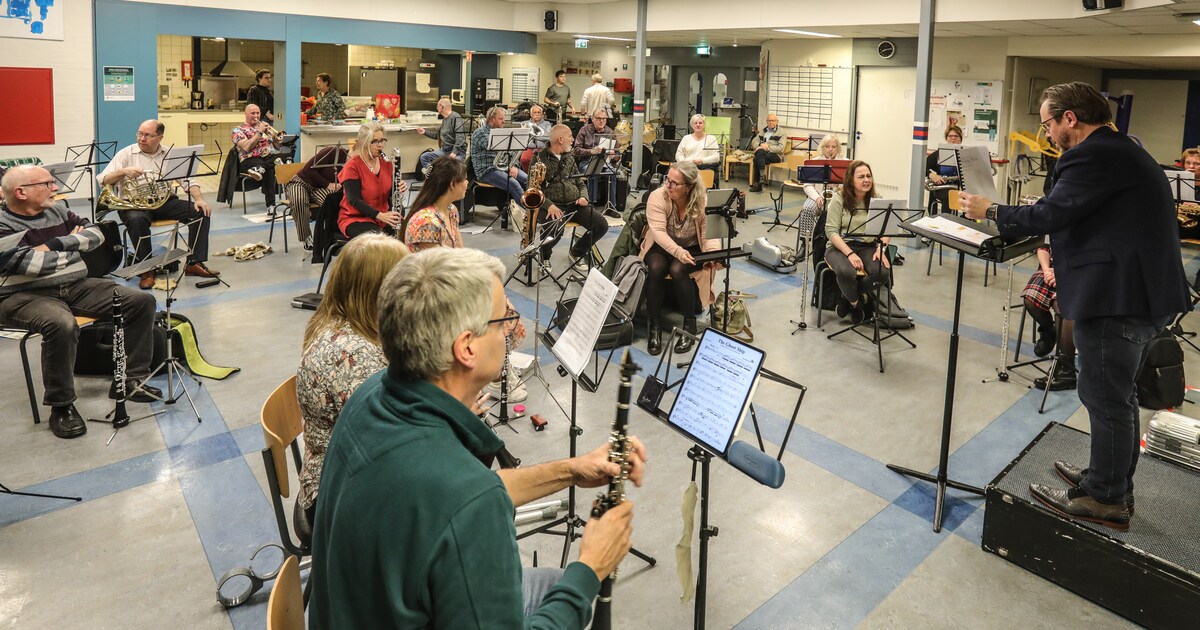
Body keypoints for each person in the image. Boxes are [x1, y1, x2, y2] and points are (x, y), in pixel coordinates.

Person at [307, 246, 641, 629]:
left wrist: (571, 470)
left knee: (551, 583)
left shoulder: (368, 397)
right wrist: (589, 568)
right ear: (466, 347)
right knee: (566, 587)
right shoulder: (464, 499)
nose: (511, 328)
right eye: (502, 320)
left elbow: (464, 497)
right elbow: (466, 502)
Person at [961, 81, 1190, 531]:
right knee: (1116, 398)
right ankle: (1107, 480)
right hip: (1140, 294)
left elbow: (1051, 214)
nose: (1045, 132)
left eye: (1048, 122)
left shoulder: (1092, 154)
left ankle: (1106, 498)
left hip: (1117, 299)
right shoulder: (1121, 148)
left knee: (1105, 399)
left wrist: (992, 211)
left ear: (1070, 118)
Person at [0, 165, 160, 439]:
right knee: (61, 324)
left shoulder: (58, 210)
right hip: (21, 296)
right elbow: (29, 264)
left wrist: (56, 245)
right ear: (21, 192)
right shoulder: (3, 224)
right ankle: (62, 406)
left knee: (140, 300)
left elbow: (97, 235)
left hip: (76, 285)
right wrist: (74, 246)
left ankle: (130, 379)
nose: (56, 188)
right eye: (47, 184)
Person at [295, 233, 409, 536]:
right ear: (380, 289)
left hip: (339, 468)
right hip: (339, 493)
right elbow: (388, 442)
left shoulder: (341, 319)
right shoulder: (352, 355)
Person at [404, 156, 528, 401]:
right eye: (464, 179)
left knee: (499, 300)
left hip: (451, 278)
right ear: (452, 184)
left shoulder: (449, 211)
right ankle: (494, 375)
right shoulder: (425, 221)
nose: (467, 183)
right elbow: (432, 270)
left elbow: (460, 253)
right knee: (494, 311)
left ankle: (496, 368)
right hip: (430, 289)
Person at [99, 119, 219, 290]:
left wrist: (199, 199)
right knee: (137, 220)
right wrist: (122, 172)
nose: (141, 138)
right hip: (133, 204)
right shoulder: (126, 154)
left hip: (163, 202)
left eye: (147, 135)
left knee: (200, 212)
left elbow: (188, 180)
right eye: (139, 134)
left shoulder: (169, 154)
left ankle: (193, 263)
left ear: (160, 137)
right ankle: (147, 270)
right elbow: (102, 179)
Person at [640, 161, 721, 356]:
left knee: (678, 270)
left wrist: (713, 255)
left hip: (692, 246)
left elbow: (708, 235)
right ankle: (655, 327)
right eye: (667, 179)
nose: (668, 185)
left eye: (674, 183)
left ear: (689, 187)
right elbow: (658, 232)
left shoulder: (702, 201)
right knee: (656, 268)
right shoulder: (657, 196)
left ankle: (689, 325)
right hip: (661, 245)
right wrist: (677, 251)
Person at [530, 124, 610, 271]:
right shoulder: (539, 160)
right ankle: (545, 256)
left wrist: (583, 196)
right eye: (569, 137)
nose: (572, 140)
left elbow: (580, 182)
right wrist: (549, 205)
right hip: (553, 205)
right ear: (560, 139)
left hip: (575, 204)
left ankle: (577, 252)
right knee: (555, 228)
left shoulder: (570, 157)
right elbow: (533, 190)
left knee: (601, 225)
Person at [824, 160, 890, 324]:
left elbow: (887, 228)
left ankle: (848, 298)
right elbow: (831, 232)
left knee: (882, 272)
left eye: (869, 176)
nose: (866, 180)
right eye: (861, 177)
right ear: (850, 180)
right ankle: (858, 304)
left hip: (867, 246)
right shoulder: (839, 199)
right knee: (847, 272)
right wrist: (850, 254)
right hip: (839, 247)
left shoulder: (877, 199)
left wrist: (881, 249)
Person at [1021, 245, 1077, 391]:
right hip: (1052, 268)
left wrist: (1062, 274)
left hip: (1076, 272)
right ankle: (1049, 331)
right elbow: (1044, 247)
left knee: (1061, 305)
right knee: (1030, 298)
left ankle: (1066, 370)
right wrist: (1046, 270)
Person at [338, 122, 405, 239]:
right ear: (364, 143)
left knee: (406, 233)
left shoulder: (387, 164)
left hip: (382, 217)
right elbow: (354, 200)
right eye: (374, 142)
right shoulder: (352, 166)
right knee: (379, 240)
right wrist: (379, 215)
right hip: (356, 218)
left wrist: (399, 187)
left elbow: (390, 193)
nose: (380, 145)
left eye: (382, 140)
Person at [286, 146, 347, 250]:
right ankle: (306, 237)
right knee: (298, 200)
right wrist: (327, 184)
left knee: (333, 203)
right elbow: (307, 169)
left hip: (320, 188)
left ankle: (332, 237)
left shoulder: (356, 164)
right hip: (302, 182)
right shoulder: (335, 151)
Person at [471, 106, 528, 209]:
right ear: (492, 120)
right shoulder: (480, 133)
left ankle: (537, 207)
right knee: (513, 184)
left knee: (528, 180)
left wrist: (514, 165)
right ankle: (530, 212)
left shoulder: (502, 133)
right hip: (487, 171)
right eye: (501, 119)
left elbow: (510, 152)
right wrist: (509, 166)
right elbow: (495, 147)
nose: (504, 122)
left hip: (504, 167)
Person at [231, 104, 281, 206]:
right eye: (252, 113)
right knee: (271, 168)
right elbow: (246, 147)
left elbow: (277, 148)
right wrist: (259, 132)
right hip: (249, 160)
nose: (256, 116)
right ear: (245, 114)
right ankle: (271, 206)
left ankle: (260, 169)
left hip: (266, 159)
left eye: (258, 113)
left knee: (284, 157)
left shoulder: (264, 127)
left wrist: (277, 141)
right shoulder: (237, 130)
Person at [573, 111, 620, 209]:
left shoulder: (610, 132)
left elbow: (617, 155)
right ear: (593, 119)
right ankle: (591, 204)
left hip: (605, 163)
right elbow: (576, 150)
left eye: (604, 119)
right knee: (594, 170)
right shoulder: (584, 130)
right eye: (599, 118)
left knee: (612, 172)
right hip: (586, 161)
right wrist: (591, 151)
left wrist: (613, 155)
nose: (601, 121)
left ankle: (611, 206)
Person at [415, 97, 467, 174]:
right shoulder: (445, 119)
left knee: (451, 169)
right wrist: (424, 132)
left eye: (437, 106)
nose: (436, 108)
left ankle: (440, 177)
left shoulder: (456, 117)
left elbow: (460, 137)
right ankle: (434, 176)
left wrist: (454, 153)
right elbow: (438, 136)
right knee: (424, 157)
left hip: (457, 152)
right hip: (445, 151)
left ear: (442, 106)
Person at [925, 125, 963, 213]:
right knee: (948, 197)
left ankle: (967, 221)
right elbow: (923, 166)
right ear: (947, 138)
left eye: (956, 136)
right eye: (950, 136)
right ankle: (946, 220)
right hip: (942, 185)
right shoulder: (939, 153)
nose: (953, 138)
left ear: (960, 139)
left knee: (972, 197)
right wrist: (932, 175)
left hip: (959, 185)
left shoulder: (965, 153)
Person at [801, 133, 842, 208]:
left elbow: (849, 186)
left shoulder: (844, 163)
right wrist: (817, 197)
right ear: (822, 148)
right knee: (807, 209)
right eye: (827, 146)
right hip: (818, 196)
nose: (830, 149)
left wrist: (838, 185)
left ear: (838, 148)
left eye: (833, 147)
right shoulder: (813, 162)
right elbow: (807, 185)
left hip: (838, 197)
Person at [749, 113, 786, 193]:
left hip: (775, 155)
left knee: (757, 158)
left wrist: (768, 148)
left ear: (777, 122)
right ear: (767, 122)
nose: (771, 122)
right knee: (757, 157)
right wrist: (760, 144)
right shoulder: (763, 131)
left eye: (773, 121)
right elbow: (755, 141)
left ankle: (758, 184)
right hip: (763, 154)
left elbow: (781, 149)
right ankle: (762, 177)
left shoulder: (782, 132)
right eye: (769, 121)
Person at [675, 114, 720, 180]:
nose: (698, 125)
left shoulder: (711, 138)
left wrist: (702, 160)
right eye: (695, 123)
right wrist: (689, 161)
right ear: (692, 125)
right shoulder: (686, 138)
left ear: (704, 125)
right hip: (688, 168)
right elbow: (678, 156)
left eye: (700, 123)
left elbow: (716, 157)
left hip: (705, 168)